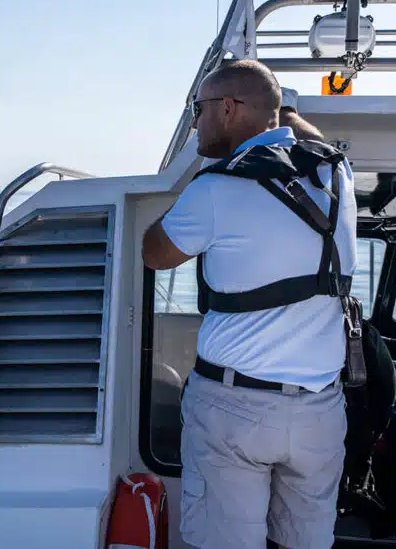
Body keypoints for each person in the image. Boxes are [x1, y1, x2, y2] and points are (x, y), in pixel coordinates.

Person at [142, 60, 357, 549]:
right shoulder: (337, 173)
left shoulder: (216, 188)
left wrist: (196, 191)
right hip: (319, 411)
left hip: (234, 410)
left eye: (199, 110)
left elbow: (155, 253)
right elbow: (308, 134)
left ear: (228, 108)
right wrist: (285, 110)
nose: (195, 123)